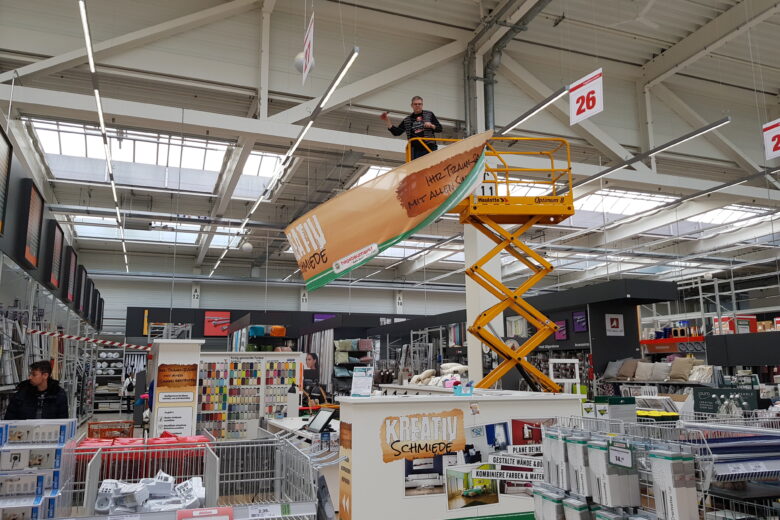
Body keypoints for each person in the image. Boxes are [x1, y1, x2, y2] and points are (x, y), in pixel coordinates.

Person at [380, 96, 443, 160]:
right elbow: (397, 132)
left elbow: (440, 128)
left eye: (419, 104)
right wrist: (386, 120)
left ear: (422, 105)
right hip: (414, 149)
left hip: (429, 147)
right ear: (412, 105)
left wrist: (432, 125)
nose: (417, 105)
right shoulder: (407, 120)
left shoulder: (429, 114)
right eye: (415, 104)